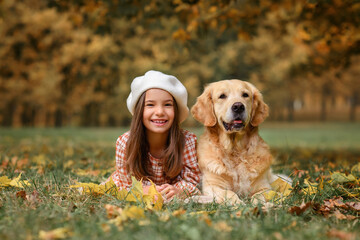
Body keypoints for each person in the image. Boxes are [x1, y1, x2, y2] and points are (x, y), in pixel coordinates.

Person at [107, 70, 201, 201]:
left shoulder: (187, 141)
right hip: (138, 187)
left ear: (176, 110)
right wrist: (141, 190)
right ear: (139, 110)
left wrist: (179, 190)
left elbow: (192, 181)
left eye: (167, 105)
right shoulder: (125, 142)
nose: (160, 112)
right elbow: (125, 184)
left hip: (171, 190)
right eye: (150, 105)